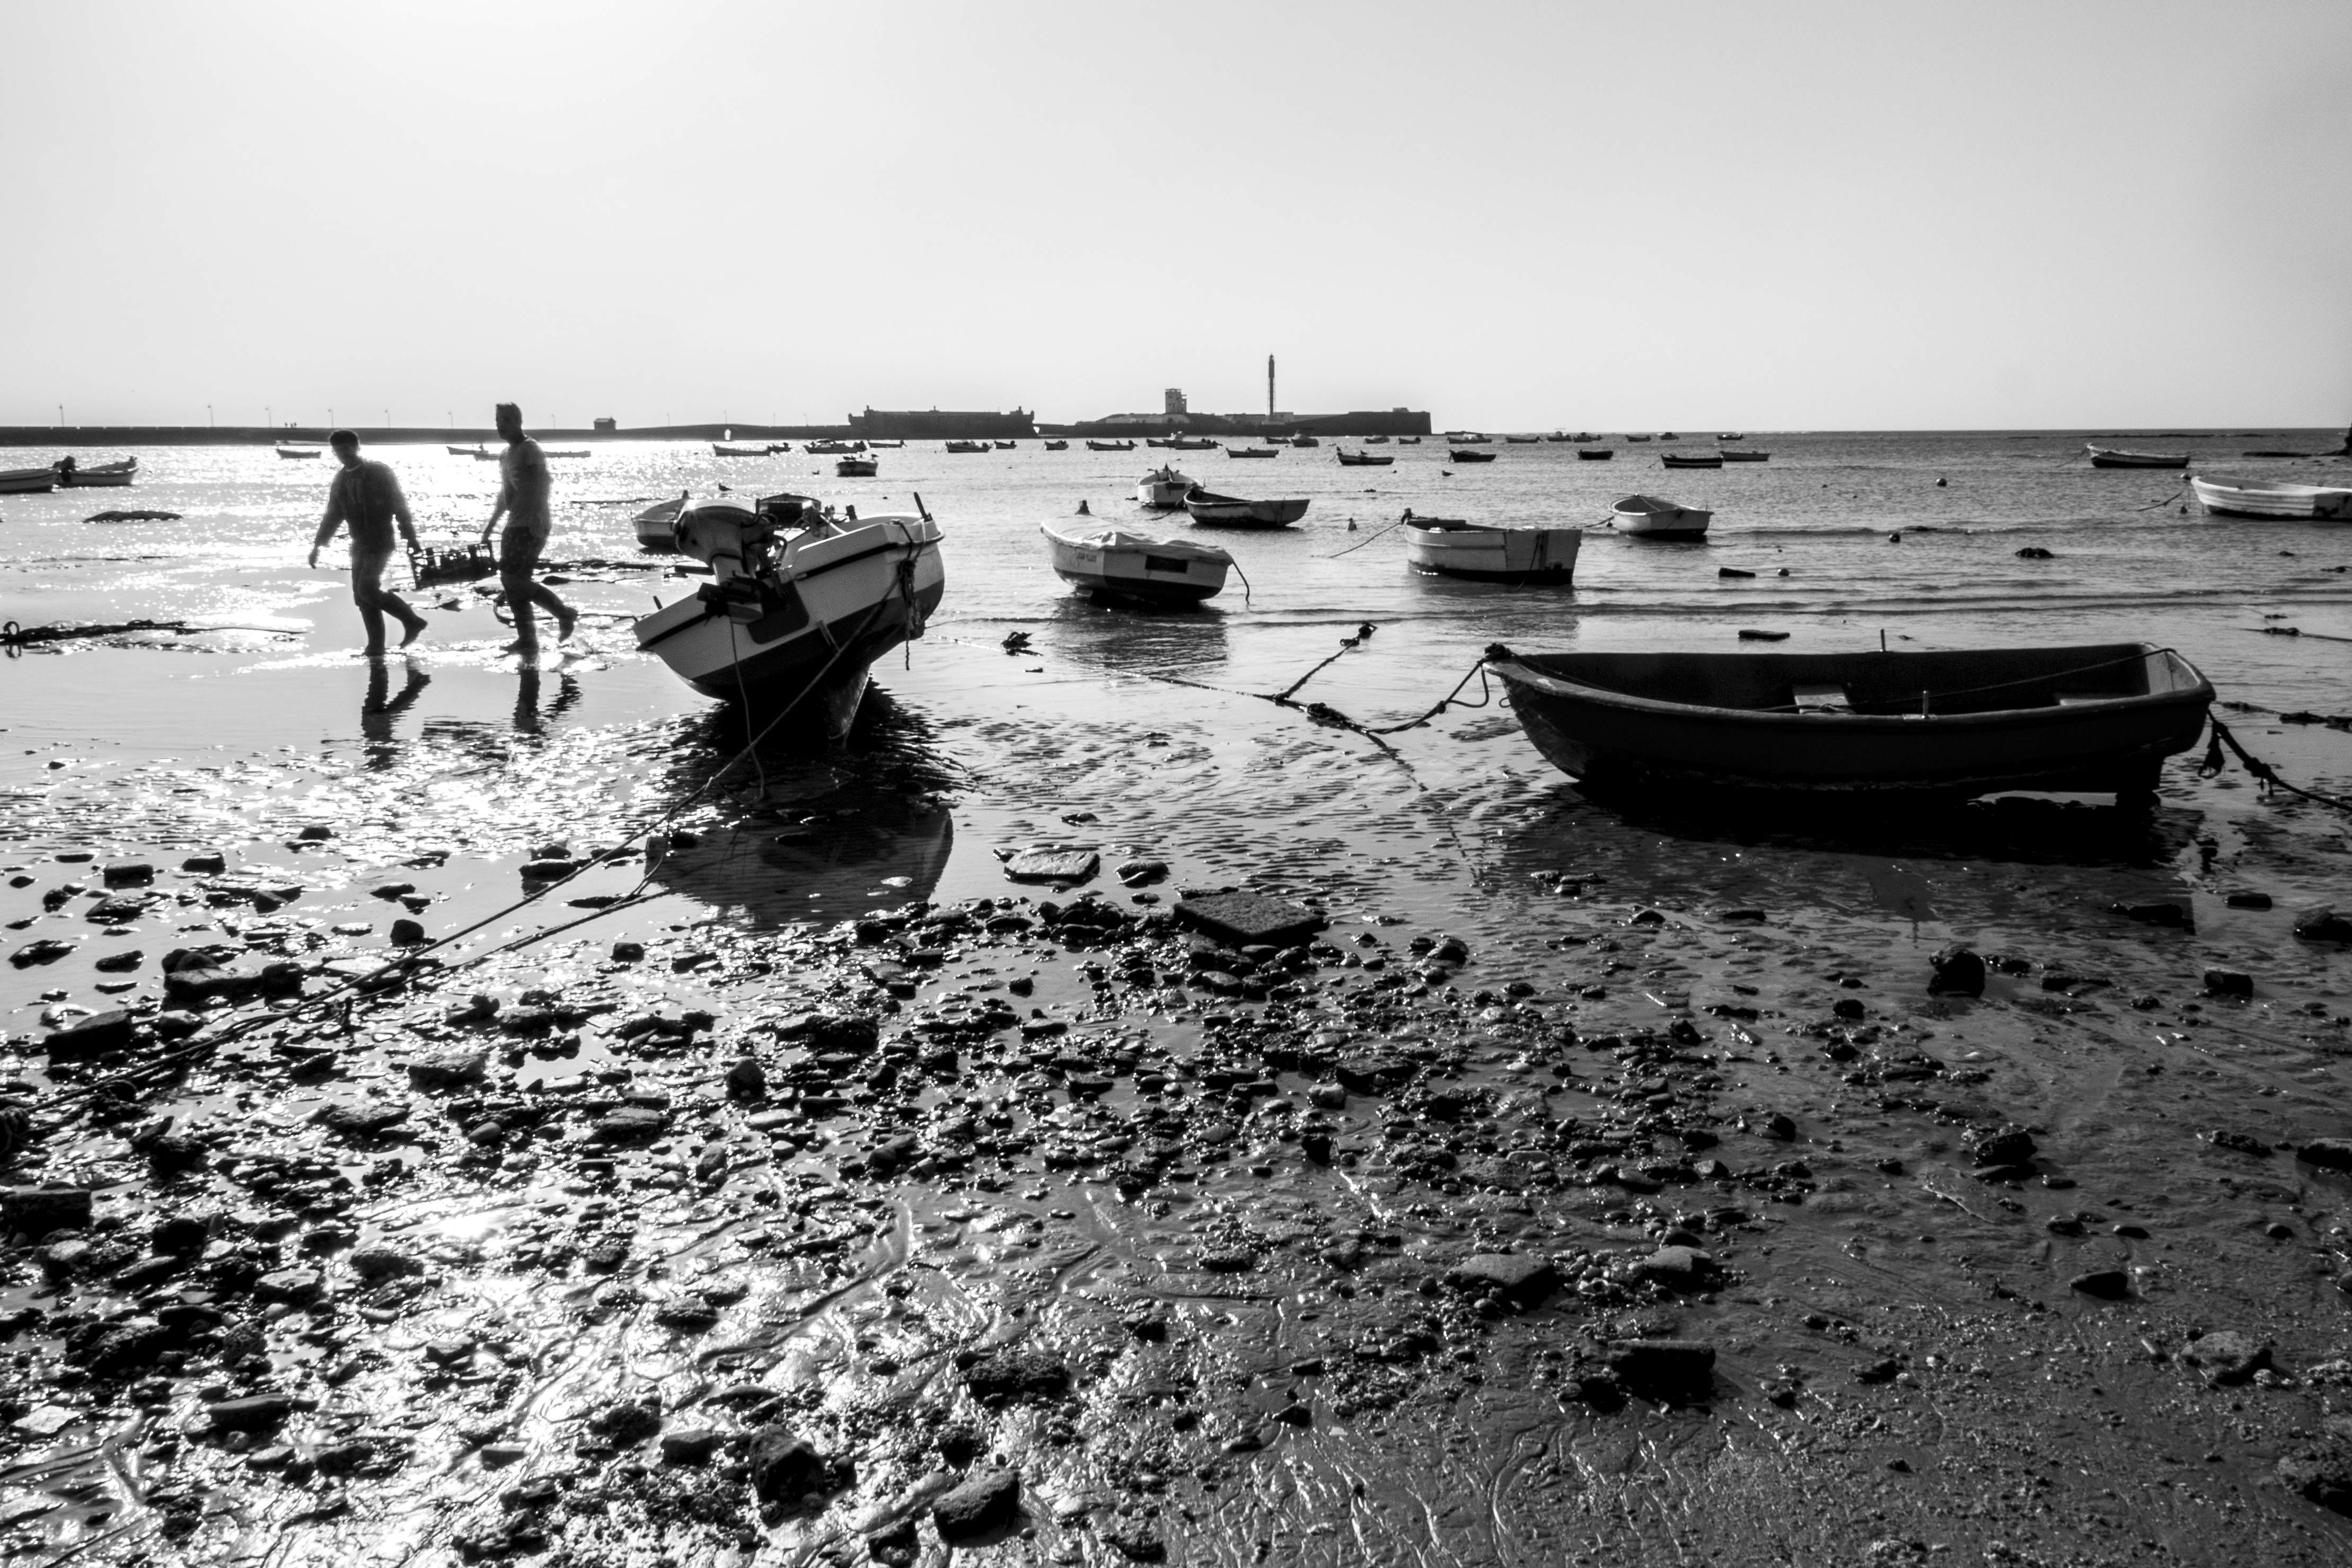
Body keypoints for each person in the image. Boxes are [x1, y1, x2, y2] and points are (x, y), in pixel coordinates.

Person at [310, 430, 426, 653]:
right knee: (361, 597)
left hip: (381, 539)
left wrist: (411, 538)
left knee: (368, 589)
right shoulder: (341, 480)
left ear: (357, 447)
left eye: (347, 449)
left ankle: (412, 621)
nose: (343, 455)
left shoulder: (379, 472)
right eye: (338, 451)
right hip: (359, 543)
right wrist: (318, 546)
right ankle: (376, 646)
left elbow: (400, 505)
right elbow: (333, 515)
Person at [479, 402, 575, 654]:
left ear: (518, 422)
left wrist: (535, 517)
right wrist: (490, 528)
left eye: (505, 420)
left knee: (513, 580)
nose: (500, 425)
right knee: (513, 582)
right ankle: (528, 639)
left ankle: (563, 613)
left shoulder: (530, 450)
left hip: (532, 524)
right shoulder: (505, 455)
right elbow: (506, 494)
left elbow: (545, 483)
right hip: (514, 524)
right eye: (498, 420)